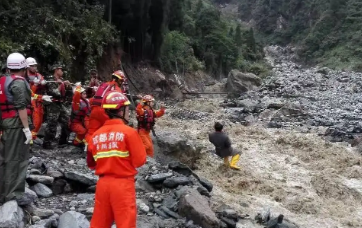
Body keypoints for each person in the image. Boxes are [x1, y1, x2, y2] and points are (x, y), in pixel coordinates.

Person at [87, 91, 146, 227]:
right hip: (122, 185)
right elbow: (140, 161)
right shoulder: (129, 133)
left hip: (102, 185)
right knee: (126, 223)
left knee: (99, 223)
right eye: (127, 109)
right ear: (120, 111)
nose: (129, 112)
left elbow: (91, 163)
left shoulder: (95, 135)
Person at [0, 53, 33, 204]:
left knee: (3, 159)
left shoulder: (3, 80)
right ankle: (13, 195)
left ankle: (3, 192)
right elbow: (21, 108)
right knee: (16, 159)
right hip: (15, 125)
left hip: (5, 123)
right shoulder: (19, 83)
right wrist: (26, 129)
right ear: (24, 67)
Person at [85, 70, 127, 149]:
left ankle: (88, 149)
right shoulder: (116, 88)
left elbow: (94, 97)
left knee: (92, 131)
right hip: (104, 112)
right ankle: (109, 148)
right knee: (110, 131)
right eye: (121, 80)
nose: (121, 82)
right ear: (117, 79)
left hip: (94, 110)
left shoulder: (103, 85)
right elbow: (118, 103)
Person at [42, 64, 71, 149]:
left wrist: (67, 86)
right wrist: (60, 85)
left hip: (61, 104)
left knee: (67, 121)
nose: (62, 72)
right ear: (56, 70)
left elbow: (68, 94)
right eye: (60, 70)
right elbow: (54, 93)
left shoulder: (61, 80)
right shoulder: (51, 80)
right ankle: (47, 143)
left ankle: (63, 141)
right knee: (52, 124)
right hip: (53, 104)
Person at [25, 57, 52, 140]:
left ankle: (32, 140)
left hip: (39, 100)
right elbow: (28, 91)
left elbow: (44, 85)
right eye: (32, 66)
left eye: (35, 66)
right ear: (28, 66)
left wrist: (44, 83)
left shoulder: (38, 75)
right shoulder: (24, 76)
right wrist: (34, 85)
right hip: (30, 100)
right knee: (34, 122)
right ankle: (29, 141)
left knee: (39, 121)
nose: (34, 67)